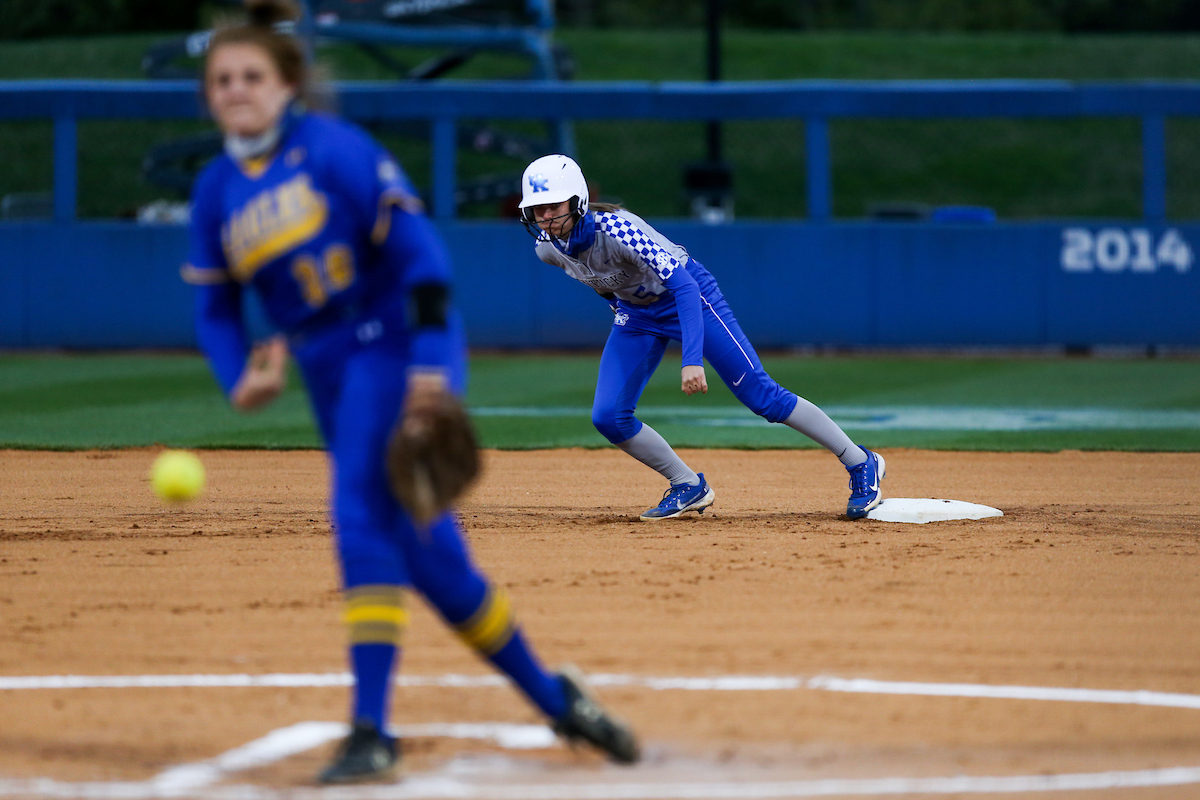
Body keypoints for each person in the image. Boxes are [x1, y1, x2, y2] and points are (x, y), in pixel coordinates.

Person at [182, 1, 638, 784]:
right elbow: (215, 305)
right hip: (328, 365)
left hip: (392, 344)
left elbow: (423, 261)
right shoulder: (216, 191)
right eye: (222, 79)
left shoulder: (335, 152)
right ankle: (556, 699)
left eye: (252, 74)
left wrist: (430, 368)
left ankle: (371, 731)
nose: (236, 90)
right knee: (432, 561)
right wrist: (240, 379)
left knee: (359, 510)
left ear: (288, 83)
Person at [517, 154, 886, 521]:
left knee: (762, 397)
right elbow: (600, 282)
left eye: (553, 205)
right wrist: (620, 308)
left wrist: (691, 360)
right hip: (639, 315)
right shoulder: (547, 249)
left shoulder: (615, 229)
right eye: (537, 209)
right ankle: (687, 484)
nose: (546, 217)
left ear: (578, 201)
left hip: (690, 299)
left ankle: (860, 461)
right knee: (608, 417)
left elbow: (684, 285)